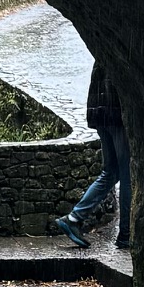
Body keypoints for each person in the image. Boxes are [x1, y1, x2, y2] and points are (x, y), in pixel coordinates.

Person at [52, 64, 131, 249]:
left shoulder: (105, 44)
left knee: (111, 172)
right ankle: (126, 234)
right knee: (128, 175)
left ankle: (74, 218)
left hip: (100, 113)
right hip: (117, 114)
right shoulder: (122, 46)